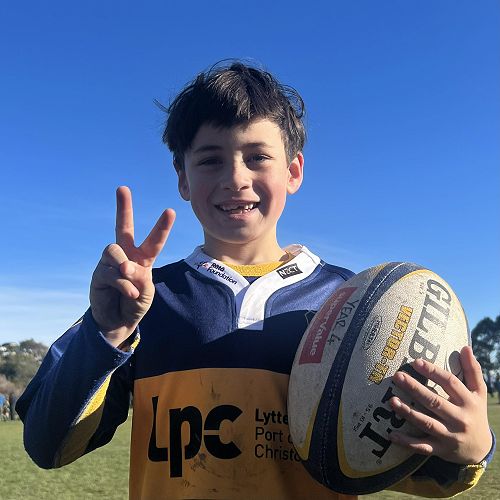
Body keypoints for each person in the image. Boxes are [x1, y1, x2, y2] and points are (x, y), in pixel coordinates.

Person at [17, 62, 495, 499]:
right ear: (182, 178)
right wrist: (108, 333)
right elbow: (46, 445)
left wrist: (471, 449)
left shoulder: (349, 305)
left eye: (257, 157)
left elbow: (401, 462)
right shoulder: (142, 301)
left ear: (293, 171)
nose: (235, 178)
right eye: (210, 160)